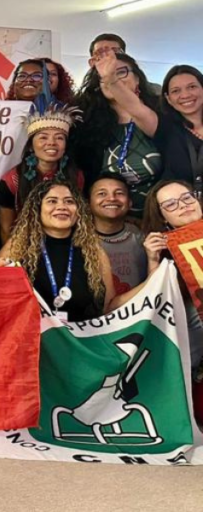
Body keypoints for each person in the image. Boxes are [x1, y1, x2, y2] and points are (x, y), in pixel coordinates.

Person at [0, 180, 117, 323]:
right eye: (52, 201)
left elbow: (109, 307)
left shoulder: (94, 252)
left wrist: (144, 288)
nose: (61, 207)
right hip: (34, 335)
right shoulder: (16, 249)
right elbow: (4, 307)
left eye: (69, 201)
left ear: (79, 210)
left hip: (82, 335)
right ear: (37, 209)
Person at [70, 51, 161, 214]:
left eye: (121, 72)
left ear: (137, 79)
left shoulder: (159, 114)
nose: (113, 78)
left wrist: (110, 78)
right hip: (105, 218)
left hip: (156, 215)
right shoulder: (85, 124)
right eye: (103, 75)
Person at [141, 180, 203, 371]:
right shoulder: (164, 250)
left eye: (187, 198)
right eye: (170, 204)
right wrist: (153, 260)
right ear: (162, 218)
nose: (183, 205)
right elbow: (158, 301)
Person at [0, 105, 84, 243]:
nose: (51, 143)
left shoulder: (76, 176)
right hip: (24, 244)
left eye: (59, 138)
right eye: (43, 137)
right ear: (31, 146)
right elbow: (6, 228)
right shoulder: (12, 180)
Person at [89, 173, 146, 294]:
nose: (111, 198)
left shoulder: (143, 237)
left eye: (119, 193)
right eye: (102, 194)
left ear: (129, 203)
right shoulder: (79, 240)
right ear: (89, 203)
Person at [155, 65, 203, 189]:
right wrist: (111, 79)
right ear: (168, 98)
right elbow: (133, 106)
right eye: (176, 91)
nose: (185, 95)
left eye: (192, 87)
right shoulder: (164, 128)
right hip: (181, 201)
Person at [5, 58, 76, 106]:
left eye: (37, 76)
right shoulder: (4, 110)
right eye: (22, 76)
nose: (29, 80)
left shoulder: (65, 112)